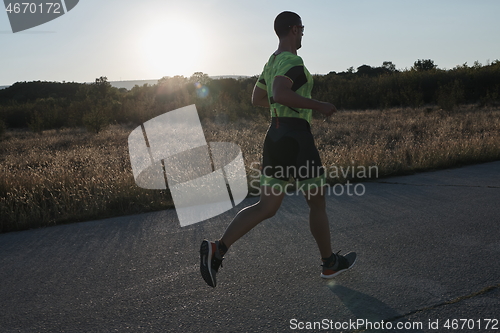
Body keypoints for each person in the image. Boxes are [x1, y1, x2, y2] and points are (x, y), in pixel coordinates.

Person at [200, 11, 356, 288]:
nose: (304, 33)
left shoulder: (272, 61)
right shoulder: (292, 60)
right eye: (302, 28)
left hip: (275, 135)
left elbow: (258, 98)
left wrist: (283, 106)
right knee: (317, 202)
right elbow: (281, 94)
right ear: (294, 29)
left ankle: (218, 248)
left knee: (266, 206)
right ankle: (330, 264)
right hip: (296, 138)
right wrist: (317, 105)